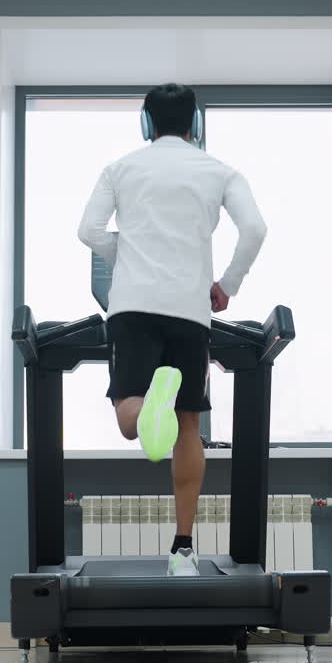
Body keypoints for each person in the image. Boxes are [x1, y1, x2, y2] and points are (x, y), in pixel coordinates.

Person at [77, 83, 267, 577]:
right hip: (190, 310)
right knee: (187, 428)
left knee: (129, 422)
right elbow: (254, 229)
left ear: (146, 122)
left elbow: (89, 231)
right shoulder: (220, 171)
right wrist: (227, 284)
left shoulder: (120, 168)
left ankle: (146, 406)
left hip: (133, 305)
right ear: (195, 123)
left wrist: (129, 256)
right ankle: (182, 551)